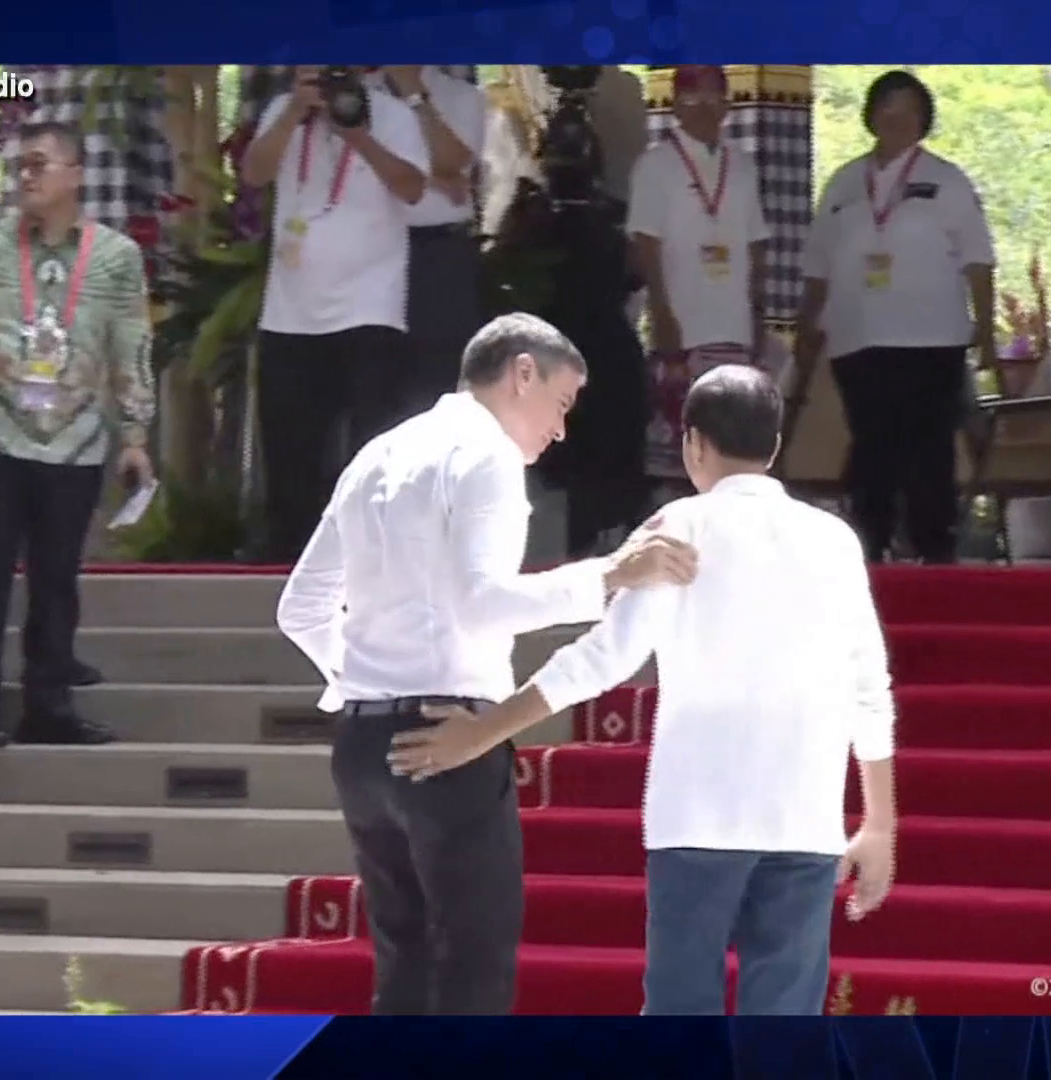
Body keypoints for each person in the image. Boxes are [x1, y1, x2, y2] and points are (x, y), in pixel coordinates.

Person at [389, 365, 899, 1017]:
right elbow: (869, 683)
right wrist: (879, 820)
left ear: (693, 444)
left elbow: (603, 659)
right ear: (774, 446)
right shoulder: (834, 542)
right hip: (804, 812)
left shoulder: (678, 528)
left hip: (697, 814)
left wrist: (484, 731)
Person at [274, 312, 700, 1016]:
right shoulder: (487, 454)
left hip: (360, 742)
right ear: (521, 373)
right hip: (448, 735)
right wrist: (609, 575)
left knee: (403, 964)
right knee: (472, 963)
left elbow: (302, 608)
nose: (560, 431)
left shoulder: (378, 452)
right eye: (561, 405)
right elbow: (484, 605)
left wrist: (363, 684)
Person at [0, 121, 156, 749]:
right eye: (19, 167)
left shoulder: (115, 256)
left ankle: (50, 706)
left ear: (75, 175)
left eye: (39, 164)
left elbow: (131, 347)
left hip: (77, 438)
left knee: (57, 579)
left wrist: (136, 433)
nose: (26, 177)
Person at [795, 69, 997, 565]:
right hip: (857, 339)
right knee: (872, 444)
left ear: (923, 119)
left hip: (932, 339)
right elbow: (818, 265)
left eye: (908, 108)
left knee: (929, 447)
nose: (896, 117)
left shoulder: (946, 180)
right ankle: (869, 548)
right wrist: (806, 326)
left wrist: (987, 328)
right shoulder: (844, 182)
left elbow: (978, 259)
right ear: (871, 115)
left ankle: (935, 550)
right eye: (887, 106)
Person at [241, 66, 430, 563]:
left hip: (371, 305)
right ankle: (289, 551)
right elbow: (253, 173)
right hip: (290, 310)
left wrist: (358, 135)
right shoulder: (282, 111)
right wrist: (293, 114)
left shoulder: (389, 114)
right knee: (290, 442)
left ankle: (371, 553)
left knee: (372, 443)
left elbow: (413, 187)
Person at [629, 64, 772, 487]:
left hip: (734, 326)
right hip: (683, 327)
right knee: (680, 449)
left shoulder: (742, 166)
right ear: (674, 105)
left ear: (728, 104)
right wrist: (662, 315)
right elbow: (645, 247)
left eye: (714, 97)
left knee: (730, 446)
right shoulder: (655, 165)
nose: (705, 107)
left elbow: (756, 244)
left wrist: (758, 314)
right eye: (693, 97)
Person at [383, 66, 489, 430]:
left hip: (440, 254)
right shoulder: (361, 94)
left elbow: (453, 159)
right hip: (376, 251)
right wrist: (435, 178)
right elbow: (367, 161)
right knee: (380, 383)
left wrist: (414, 95)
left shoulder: (463, 97)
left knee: (438, 382)